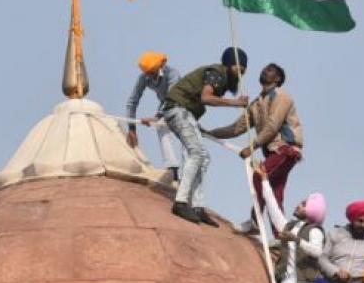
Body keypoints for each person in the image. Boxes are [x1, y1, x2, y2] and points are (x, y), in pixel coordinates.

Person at [206, 62, 304, 232]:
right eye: (265, 68)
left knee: (260, 176)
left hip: (285, 149)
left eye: (271, 70)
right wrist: (209, 133)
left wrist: (252, 147)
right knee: (273, 193)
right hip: (273, 153)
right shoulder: (257, 103)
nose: (265, 71)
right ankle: (280, 234)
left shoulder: (282, 97)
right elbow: (237, 128)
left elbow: (273, 125)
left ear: (278, 78)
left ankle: (255, 221)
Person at [161, 47, 249, 225]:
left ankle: (198, 206)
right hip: (179, 111)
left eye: (243, 73)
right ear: (231, 65)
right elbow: (206, 98)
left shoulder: (220, 77)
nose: (240, 75)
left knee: (204, 158)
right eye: (239, 70)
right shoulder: (217, 73)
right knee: (197, 153)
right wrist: (235, 103)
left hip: (185, 114)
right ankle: (181, 202)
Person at [123, 51, 182, 180]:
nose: (150, 76)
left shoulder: (172, 74)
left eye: (152, 73)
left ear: (160, 67)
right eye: (148, 74)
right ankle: (173, 170)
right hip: (165, 108)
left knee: (184, 135)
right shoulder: (144, 77)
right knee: (161, 127)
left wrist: (157, 117)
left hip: (182, 106)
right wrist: (132, 129)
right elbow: (132, 102)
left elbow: (172, 98)